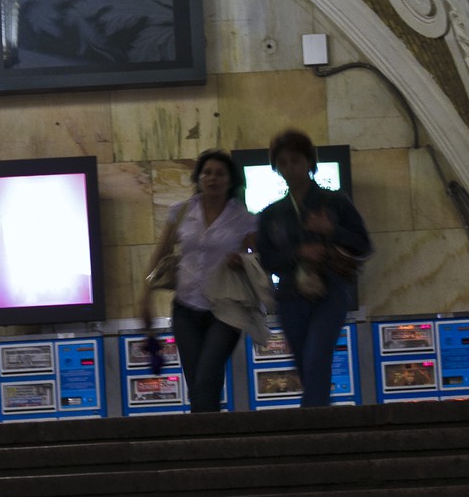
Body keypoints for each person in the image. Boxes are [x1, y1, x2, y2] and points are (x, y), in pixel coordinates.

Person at [256, 128, 371, 408]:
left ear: (309, 162)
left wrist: (331, 230)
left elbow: (363, 244)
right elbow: (267, 259)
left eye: (295, 160)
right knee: (306, 364)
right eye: (282, 163)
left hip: (331, 291)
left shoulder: (334, 201)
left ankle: (312, 424)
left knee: (317, 356)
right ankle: (321, 416)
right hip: (291, 296)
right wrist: (298, 252)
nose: (289, 168)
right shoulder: (272, 213)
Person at [139, 149, 256, 412]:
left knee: (205, 378)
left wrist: (244, 260)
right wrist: (145, 295)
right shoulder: (180, 212)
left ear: (230, 180)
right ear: (199, 178)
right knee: (199, 384)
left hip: (226, 311)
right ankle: (211, 440)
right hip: (186, 308)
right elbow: (161, 254)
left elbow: (257, 258)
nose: (212, 178)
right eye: (207, 173)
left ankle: (203, 441)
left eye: (219, 173)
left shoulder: (244, 219)